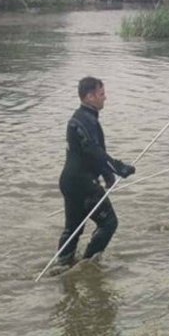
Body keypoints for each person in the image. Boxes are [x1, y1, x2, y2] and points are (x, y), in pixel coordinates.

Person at [57, 77, 135, 267]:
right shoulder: (84, 120)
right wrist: (118, 167)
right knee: (109, 223)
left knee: (73, 229)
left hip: (70, 181)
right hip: (83, 183)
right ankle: (88, 263)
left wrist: (108, 176)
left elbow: (93, 153)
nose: (105, 98)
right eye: (101, 94)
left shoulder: (85, 117)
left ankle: (64, 265)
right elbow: (93, 150)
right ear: (90, 96)